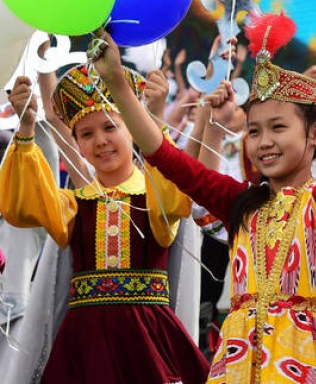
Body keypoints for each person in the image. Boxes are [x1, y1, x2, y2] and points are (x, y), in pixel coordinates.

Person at [96, 6, 316, 383]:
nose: (264, 142)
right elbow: (168, 159)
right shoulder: (241, 203)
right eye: (253, 131)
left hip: (309, 365)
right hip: (236, 365)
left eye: (277, 128)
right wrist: (118, 83)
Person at [1, 67, 209, 383]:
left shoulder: (154, 197)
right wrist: (27, 129)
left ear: (133, 131)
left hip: (147, 337)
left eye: (110, 127)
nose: (100, 141)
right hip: (85, 341)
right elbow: (25, 205)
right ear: (78, 145)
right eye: (86, 134)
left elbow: (174, 195)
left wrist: (154, 118)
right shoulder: (74, 204)